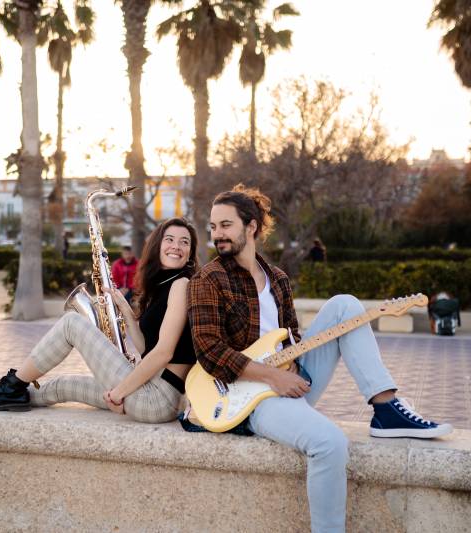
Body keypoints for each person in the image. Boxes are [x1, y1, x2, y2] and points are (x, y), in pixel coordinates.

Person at [187, 184, 452, 533]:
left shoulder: (278, 279)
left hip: (289, 378)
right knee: (330, 443)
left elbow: (291, 336)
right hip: (248, 398)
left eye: (225, 225)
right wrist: (273, 376)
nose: (217, 234)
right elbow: (208, 349)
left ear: (251, 227)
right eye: (213, 227)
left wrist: (293, 363)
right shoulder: (208, 279)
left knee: (345, 305)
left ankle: (385, 407)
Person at [0, 217, 199, 424]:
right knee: (62, 386)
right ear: (158, 246)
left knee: (72, 323)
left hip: (156, 398)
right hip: (151, 394)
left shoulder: (181, 284)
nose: (176, 246)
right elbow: (146, 348)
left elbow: (163, 353)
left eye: (184, 242)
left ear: (190, 254)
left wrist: (118, 393)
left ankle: (11, 385)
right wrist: (125, 310)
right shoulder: (163, 285)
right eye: (169, 239)